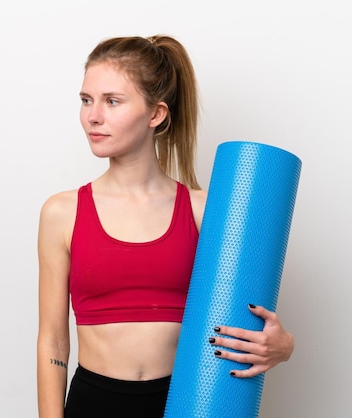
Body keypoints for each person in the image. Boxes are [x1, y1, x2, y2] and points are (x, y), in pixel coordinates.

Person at [36, 34, 294, 418]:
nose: (93, 116)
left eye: (112, 101)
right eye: (86, 100)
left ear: (156, 114)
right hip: (94, 403)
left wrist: (283, 345)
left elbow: (247, 318)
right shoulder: (62, 212)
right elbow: (53, 341)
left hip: (186, 401)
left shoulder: (205, 211)